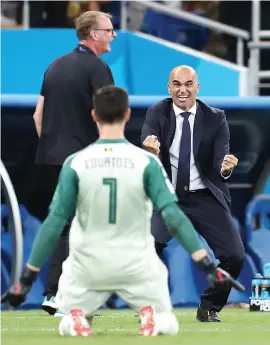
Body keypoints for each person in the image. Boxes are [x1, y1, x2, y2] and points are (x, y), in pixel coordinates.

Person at [2, 86, 244, 337]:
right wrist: (207, 266)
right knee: (168, 324)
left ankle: (76, 315)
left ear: (94, 115)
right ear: (127, 115)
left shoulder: (76, 162)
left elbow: (54, 223)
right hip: (135, 265)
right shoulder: (146, 162)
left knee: (66, 320)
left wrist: (28, 278)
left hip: (88, 265)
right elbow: (174, 217)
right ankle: (150, 312)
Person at [141, 65, 246, 322]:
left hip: (205, 196)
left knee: (234, 255)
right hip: (168, 197)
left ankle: (208, 307)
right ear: (169, 88)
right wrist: (150, 151)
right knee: (146, 247)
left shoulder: (215, 117)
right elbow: (147, 143)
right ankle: (149, 307)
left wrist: (225, 169)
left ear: (197, 87)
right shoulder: (157, 112)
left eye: (188, 84)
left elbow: (222, 158)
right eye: (177, 84)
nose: (183, 90)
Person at [28, 10, 116, 315]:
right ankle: (73, 298)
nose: (113, 34)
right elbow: (109, 119)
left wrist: (56, 149)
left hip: (55, 159)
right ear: (93, 34)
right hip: (88, 161)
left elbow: (38, 116)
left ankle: (54, 294)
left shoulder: (54, 66)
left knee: (66, 226)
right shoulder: (99, 68)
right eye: (109, 29)